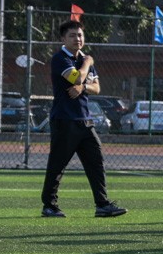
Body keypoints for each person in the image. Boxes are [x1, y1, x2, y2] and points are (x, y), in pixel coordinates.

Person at [40, 19, 126, 218]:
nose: (77, 39)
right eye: (72, 35)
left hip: (85, 121)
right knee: (57, 165)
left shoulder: (83, 59)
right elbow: (76, 78)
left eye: (80, 35)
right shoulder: (61, 58)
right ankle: (49, 206)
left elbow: (96, 88)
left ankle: (102, 205)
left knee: (96, 163)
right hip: (64, 120)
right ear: (63, 38)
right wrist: (87, 62)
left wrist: (83, 87)